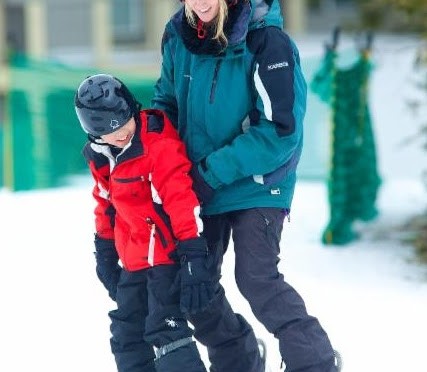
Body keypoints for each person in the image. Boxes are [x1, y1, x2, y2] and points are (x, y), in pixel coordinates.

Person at [152, 1, 339, 371]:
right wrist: (159, 162)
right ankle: (240, 358)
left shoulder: (267, 42)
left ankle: (315, 362)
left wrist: (209, 173)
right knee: (194, 286)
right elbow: (166, 106)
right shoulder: (178, 36)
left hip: (258, 179)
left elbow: (280, 131)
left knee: (255, 277)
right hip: (200, 180)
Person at [74, 73, 217, 372]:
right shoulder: (101, 157)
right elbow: (105, 204)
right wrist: (105, 252)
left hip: (166, 258)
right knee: (127, 331)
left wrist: (192, 250)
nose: (121, 133)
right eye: (109, 132)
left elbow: (180, 198)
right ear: (94, 133)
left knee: (163, 326)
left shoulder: (156, 143)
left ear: (132, 110)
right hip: (133, 259)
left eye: (123, 122)